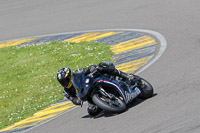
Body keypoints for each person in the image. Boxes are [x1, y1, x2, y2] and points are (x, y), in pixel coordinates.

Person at [57, 62, 136, 116]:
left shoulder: (77, 72)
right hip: (88, 95)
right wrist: (77, 100)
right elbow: (73, 99)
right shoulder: (66, 91)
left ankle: (125, 75)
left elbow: (88, 69)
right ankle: (108, 103)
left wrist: (91, 69)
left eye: (64, 80)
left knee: (102, 66)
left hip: (92, 83)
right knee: (92, 111)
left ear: (69, 76)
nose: (64, 83)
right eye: (62, 82)